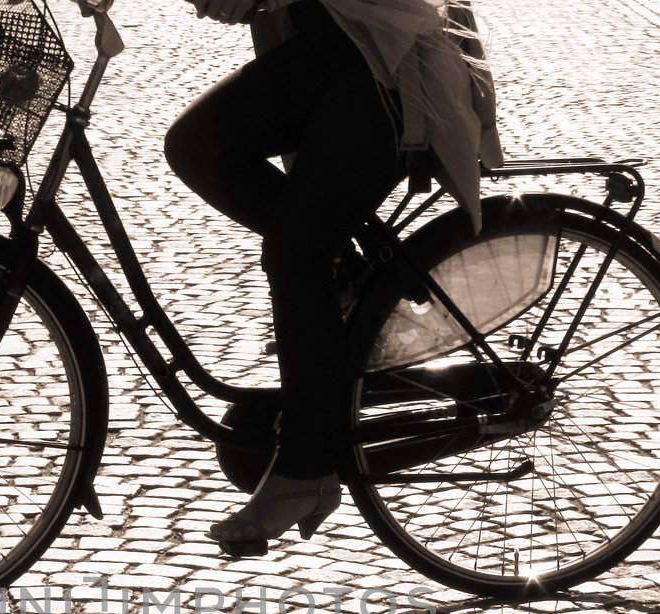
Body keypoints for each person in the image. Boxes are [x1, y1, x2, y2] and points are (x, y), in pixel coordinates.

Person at [165, 0, 503, 553]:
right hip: (332, 51)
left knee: (297, 250)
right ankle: (342, 274)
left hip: (385, 67)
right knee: (198, 147)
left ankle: (306, 469)